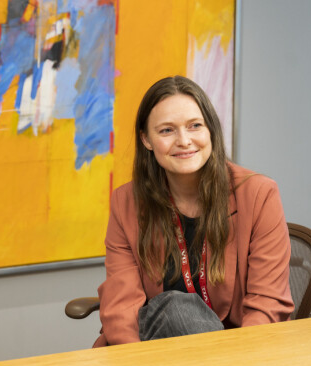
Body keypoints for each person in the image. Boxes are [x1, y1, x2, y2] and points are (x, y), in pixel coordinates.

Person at [94, 76, 293, 347]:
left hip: (238, 350)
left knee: (182, 310)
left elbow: (267, 304)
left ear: (210, 130)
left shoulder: (259, 195)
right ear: (147, 140)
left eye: (194, 126)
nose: (184, 140)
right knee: (176, 309)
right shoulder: (126, 202)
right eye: (166, 131)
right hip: (151, 350)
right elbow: (121, 306)